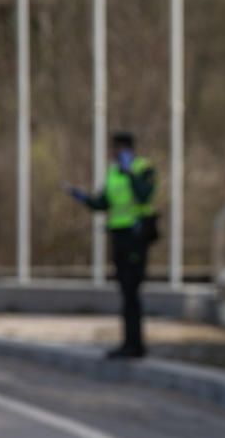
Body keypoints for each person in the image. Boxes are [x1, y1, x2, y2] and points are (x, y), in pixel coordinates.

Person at [66, 131, 157, 359]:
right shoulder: (112, 173)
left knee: (132, 292)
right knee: (126, 293)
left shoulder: (144, 169)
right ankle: (129, 342)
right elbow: (103, 203)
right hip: (119, 237)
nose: (113, 154)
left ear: (128, 150)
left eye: (117, 150)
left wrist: (130, 173)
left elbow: (145, 196)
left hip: (137, 237)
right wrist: (83, 198)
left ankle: (135, 345)